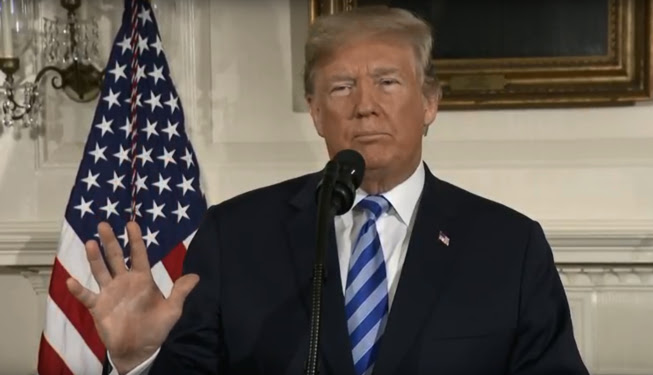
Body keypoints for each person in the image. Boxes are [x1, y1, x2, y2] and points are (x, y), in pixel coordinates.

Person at [66, 6, 589, 375]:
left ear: (430, 103)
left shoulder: (509, 247)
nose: (365, 105)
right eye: (341, 87)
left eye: (388, 82)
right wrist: (141, 360)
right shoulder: (235, 236)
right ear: (316, 112)